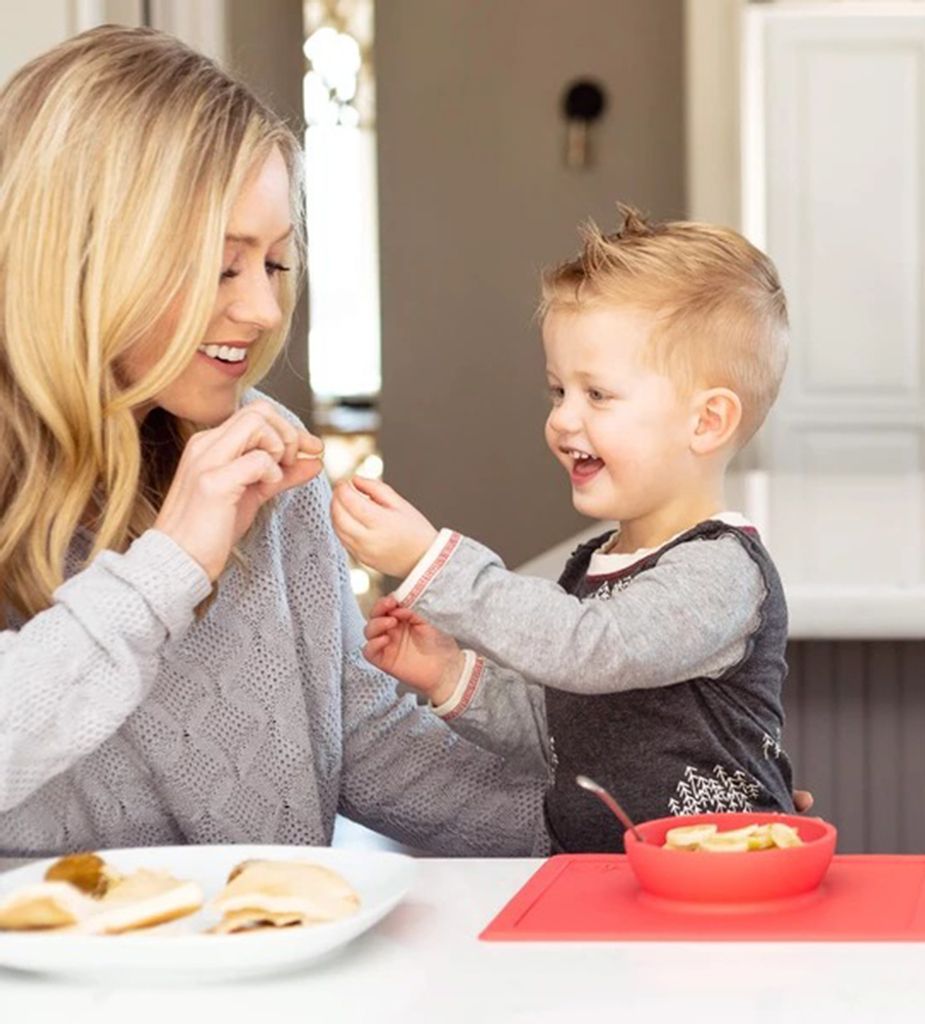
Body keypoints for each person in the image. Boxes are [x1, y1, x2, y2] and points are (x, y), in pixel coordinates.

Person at [0, 26, 548, 858]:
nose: (260, 311)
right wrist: (168, 568)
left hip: (264, 968)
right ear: (80, 260)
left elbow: (354, 735)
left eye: (276, 265)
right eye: (223, 267)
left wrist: (634, 824)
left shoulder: (255, 458)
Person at [333, 209, 800, 853]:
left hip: (723, 887)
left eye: (597, 395)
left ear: (707, 422)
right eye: (558, 391)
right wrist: (450, 674)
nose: (562, 420)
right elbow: (566, 730)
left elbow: (590, 650)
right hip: (603, 882)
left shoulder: (720, 571)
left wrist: (428, 561)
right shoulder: (596, 564)